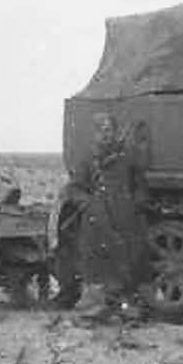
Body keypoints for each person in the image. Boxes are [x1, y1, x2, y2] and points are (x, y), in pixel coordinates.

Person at [65, 113, 150, 318]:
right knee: (96, 265)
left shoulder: (127, 157)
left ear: (115, 132)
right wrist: (89, 205)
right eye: (101, 130)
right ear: (94, 134)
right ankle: (93, 308)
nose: (106, 135)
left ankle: (126, 308)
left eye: (109, 130)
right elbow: (75, 188)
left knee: (127, 262)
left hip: (124, 217)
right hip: (97, 220)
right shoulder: (87, 159)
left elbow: (140, 186)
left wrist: (135, 204)